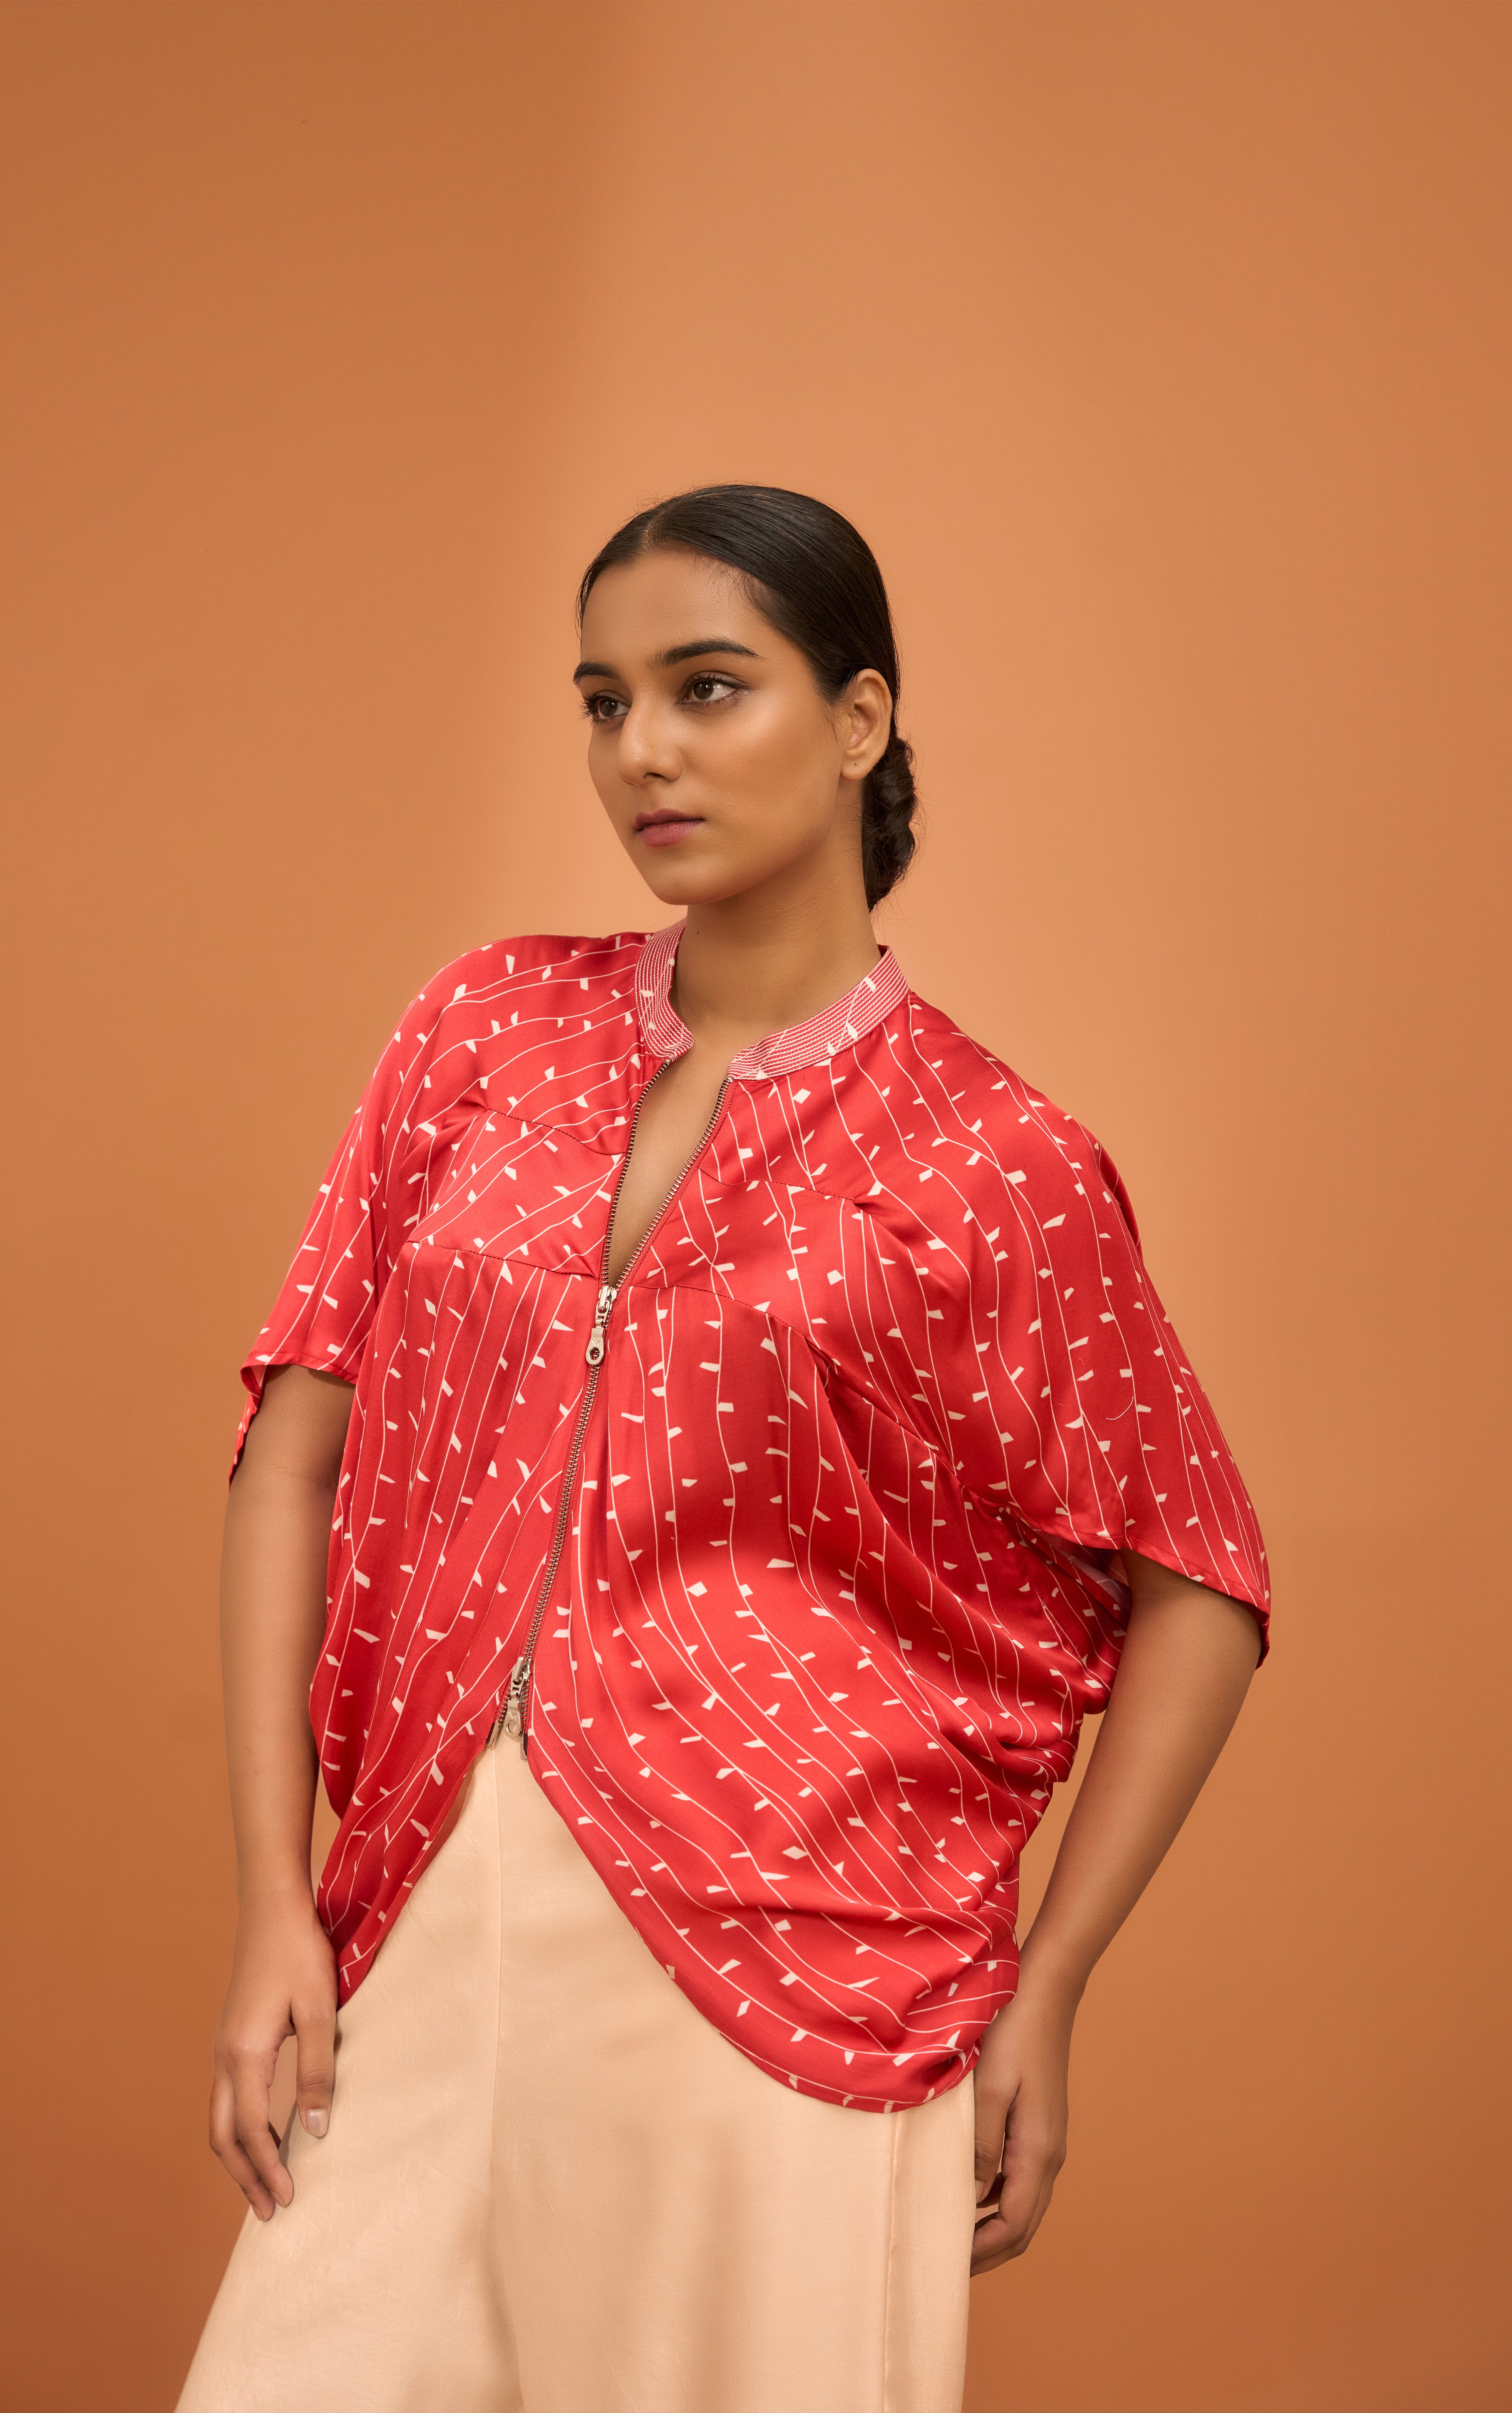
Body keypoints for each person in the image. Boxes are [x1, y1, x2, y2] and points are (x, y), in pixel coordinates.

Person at [176, 485, 1269, 2413]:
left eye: (705, 688)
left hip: (797, 1973)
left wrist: (1051, 1983)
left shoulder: (993, 1160)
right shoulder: (483, 1031)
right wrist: (277, 1896)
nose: (643, 752)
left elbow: (1201, 1581)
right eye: (604, 703)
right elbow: (295, 1448)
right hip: (422, 1908)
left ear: (858, 720)